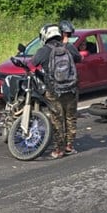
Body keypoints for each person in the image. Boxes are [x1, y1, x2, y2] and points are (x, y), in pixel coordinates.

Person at [32, 24, 82, 158]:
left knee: (57, 119)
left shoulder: (43, 51)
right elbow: (79, 58)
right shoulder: (69, 47)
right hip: (71, 89)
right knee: (70, 117)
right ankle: (69, 146)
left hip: (53, 91)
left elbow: (33, 63)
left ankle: (58, 150)